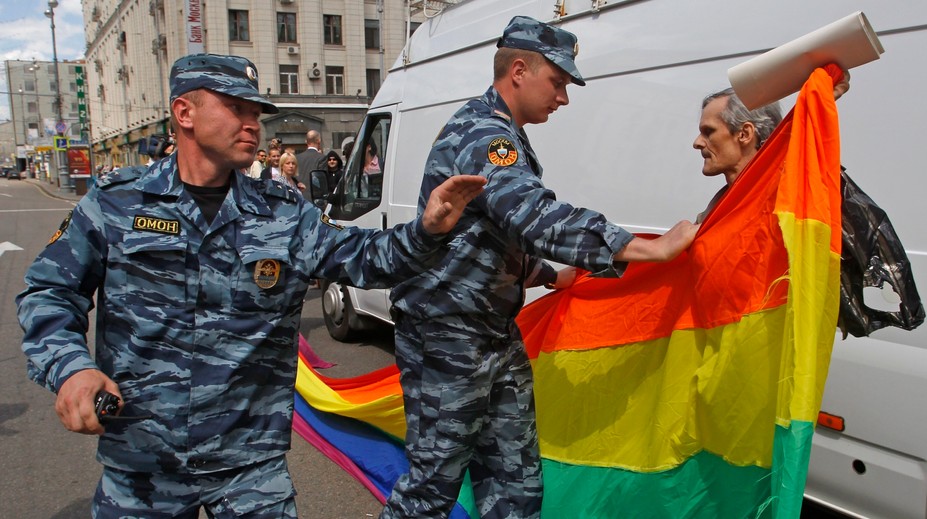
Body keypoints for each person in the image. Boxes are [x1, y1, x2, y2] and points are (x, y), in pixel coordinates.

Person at [16, 53, 486, 519]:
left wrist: (427, 231)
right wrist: (71, 368)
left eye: (255, 113)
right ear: (185, 113)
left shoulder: (282, 212)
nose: (252, 125)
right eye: (235, 108)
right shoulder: (117, 202)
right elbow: (49, 292)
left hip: (249, 466)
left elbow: (361, 258)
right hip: (143, 461)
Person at [380, 16, 698, 519]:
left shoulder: (504, 135)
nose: (564, 97)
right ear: (520, 70)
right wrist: (644, 247)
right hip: (447, 337)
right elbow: (531, 214)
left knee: (517, 486)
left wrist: (552, 275)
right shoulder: (485, 134)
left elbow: (487, 238)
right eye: (559, 81)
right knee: (429, 493)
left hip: (491, 334)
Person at [692, 72, 850, 223]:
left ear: (745, 134)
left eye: (708, 132)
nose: (697, 142)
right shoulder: (714, 211)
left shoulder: (797, 199)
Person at [296, 130, 325, 195]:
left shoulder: (297, 157)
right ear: (319, 140)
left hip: (300, 196)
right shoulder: (322, 158)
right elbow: (322, 180)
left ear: (306, 141)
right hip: (315, 197)